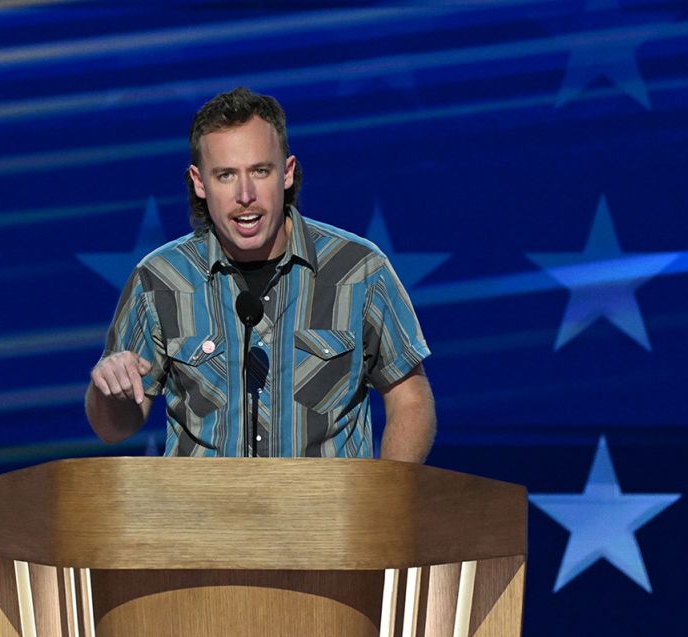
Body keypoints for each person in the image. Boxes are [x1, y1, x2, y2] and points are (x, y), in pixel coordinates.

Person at [85, 87, 436, 462]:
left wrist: (388, 501)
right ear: (199, 182)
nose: (245, 194)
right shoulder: (160, 279)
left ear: (286, 173)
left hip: (326, 517)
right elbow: (112, 428)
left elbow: (410, 399)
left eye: (260, 171)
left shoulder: (359, 269)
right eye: (225, 175)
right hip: (204, 517)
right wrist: (108, 391)